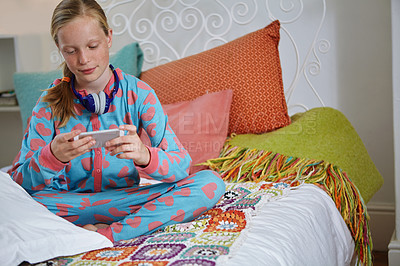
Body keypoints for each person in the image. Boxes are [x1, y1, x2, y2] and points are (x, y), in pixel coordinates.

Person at [8, 0, 225, 243]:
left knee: (210, 182)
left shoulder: (139, 93)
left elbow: (182, 166)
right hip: (64, 203)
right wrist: (52, 156)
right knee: (5, 199)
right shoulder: (48, 103)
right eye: (71, 51)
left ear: (109, 38)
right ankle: (117, 228)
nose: (84, 59)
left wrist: (145, 155)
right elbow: (18, 182)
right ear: (59, 48)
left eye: (92, 46)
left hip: (124, 201)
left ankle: (106, 235)